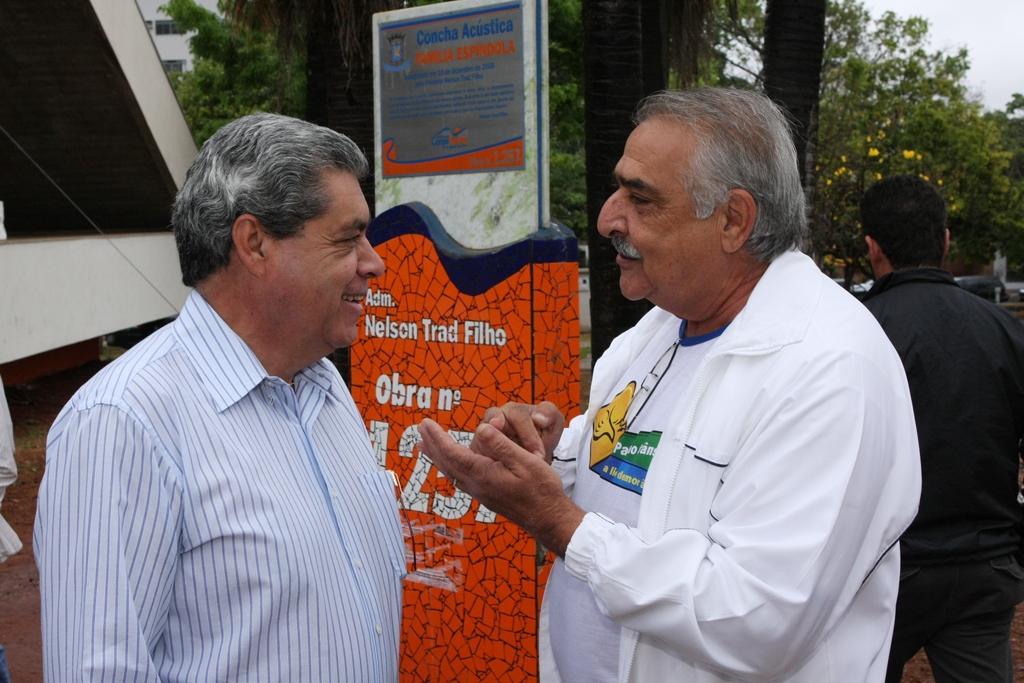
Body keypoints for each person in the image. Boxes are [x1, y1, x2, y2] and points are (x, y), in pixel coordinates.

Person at [419, 88, 922, 682]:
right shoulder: (658, 331)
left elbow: (758, 621)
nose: (607, 218)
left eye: (641, 198)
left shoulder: (830, 371)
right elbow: (627, 475)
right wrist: (550, 457)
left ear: (734, 220)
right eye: (618, 189)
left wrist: (557, 522)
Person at [35, 114, 405, 680]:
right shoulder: (122, 423)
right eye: (348, 237)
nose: (374, 262)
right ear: (254, 244)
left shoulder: (324, 386)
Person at [859, 174, 1024, 683]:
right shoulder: (1003, 328)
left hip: (881, 571)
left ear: (872, 249)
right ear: (946, 241)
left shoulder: (853, 332)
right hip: (985, 566)